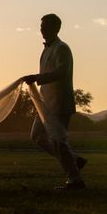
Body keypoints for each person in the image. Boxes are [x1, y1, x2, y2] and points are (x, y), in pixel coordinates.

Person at [22, 14, 87, 191]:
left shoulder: (62, 48)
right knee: (37, 136)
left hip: (60, 102)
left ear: (55, 28)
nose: (41, 29)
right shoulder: (46, 50)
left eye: (44, 26)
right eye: (41, 26)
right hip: (45, 103)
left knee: (58, 140)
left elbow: (62, 72)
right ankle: (73, 160)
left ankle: (75, 181)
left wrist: (37, 77)